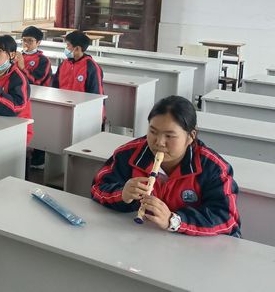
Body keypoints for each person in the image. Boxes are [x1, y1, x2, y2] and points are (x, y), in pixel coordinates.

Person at [91, 96, 241, 237]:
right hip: (141, 239)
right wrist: (122, 194)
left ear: (191, 136)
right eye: (153, 132)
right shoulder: (128, 154)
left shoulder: (214, 168)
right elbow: (97, 188)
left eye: (169, 136)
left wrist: (174, 220)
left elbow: (227, 219)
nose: (159, 142)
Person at [51, 30, 104, 95]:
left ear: (77, 48)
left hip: (81, 101)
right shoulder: (64, 64)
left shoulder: (91, 67)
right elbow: (55, 86)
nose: (66, 48)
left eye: (68, 45)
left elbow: (97, 93)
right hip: (62, 100)